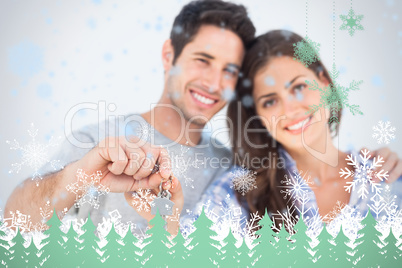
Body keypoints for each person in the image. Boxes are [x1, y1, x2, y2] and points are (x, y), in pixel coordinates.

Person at [4, 0, 255, 233]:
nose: (214, 83)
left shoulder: (229, 167)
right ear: (169, 55)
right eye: (203, 60)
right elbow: (14, 223)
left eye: (230, 71)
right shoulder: (97, 142)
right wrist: (82, 173)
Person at [127, 30, 402, 236]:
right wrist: (166, 220)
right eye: (270, 101)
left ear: (325, 83)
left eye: (298, 87)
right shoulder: (238, 192)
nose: (290, 109)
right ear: (257, 116)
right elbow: (188, 255)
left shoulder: (386, 178)